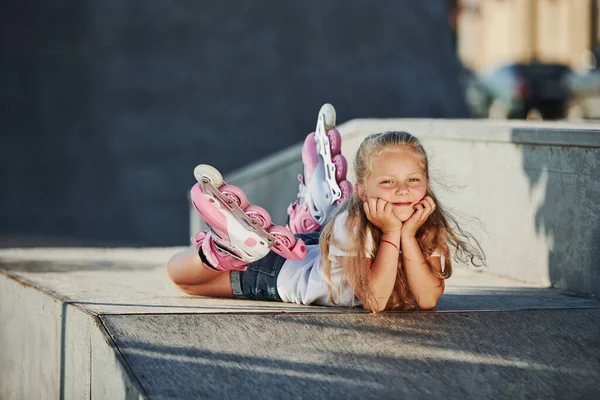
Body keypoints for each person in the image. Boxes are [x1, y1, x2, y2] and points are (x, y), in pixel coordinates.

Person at [167, 107, 484, 313]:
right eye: (387, 181)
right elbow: (375, 299)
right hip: (280, 272)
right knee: (180, 276)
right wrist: (391, 232)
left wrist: (409, 235)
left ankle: (317, 207)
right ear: (360, 191)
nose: (402, 190)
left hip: (312, 253)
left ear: (426, 183)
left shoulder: (425, 223)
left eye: (413, 179)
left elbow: (427, 299)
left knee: (317, 238)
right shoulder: (353, 224)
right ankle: (228, 248)